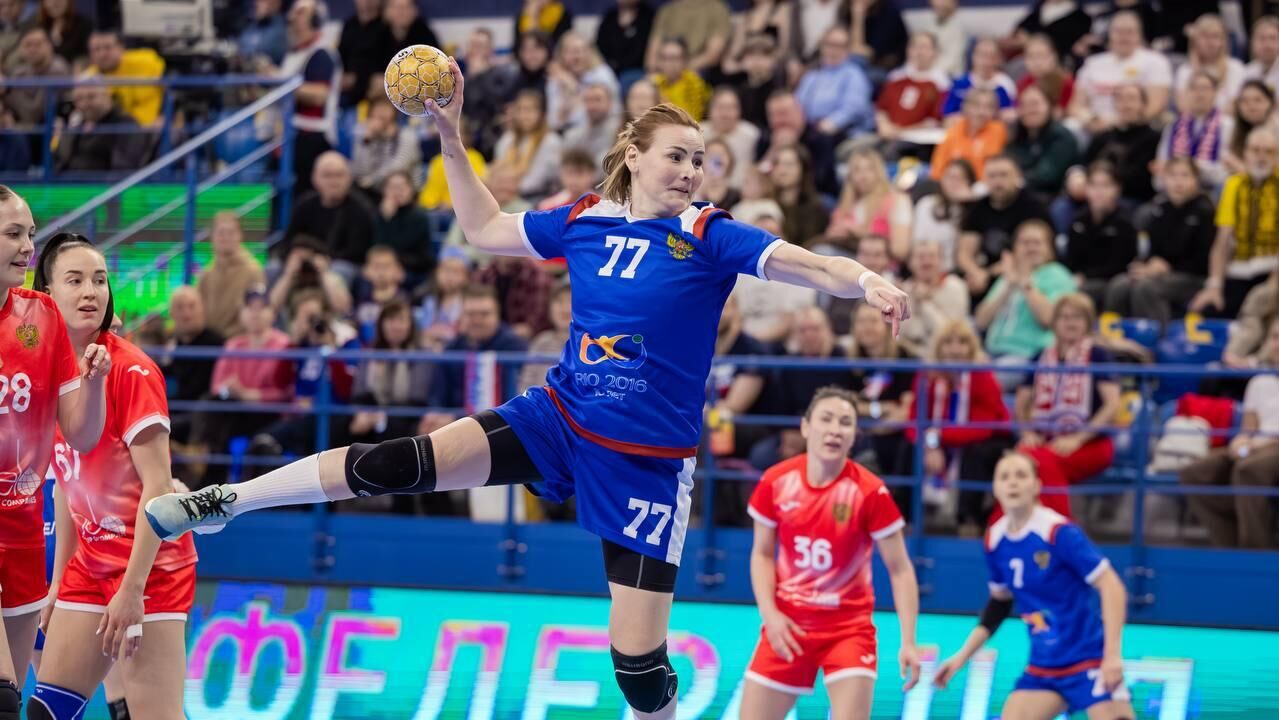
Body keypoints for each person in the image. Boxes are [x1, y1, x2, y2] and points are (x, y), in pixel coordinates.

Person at [145, 57, 910, 720]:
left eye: (699, 161)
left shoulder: (708, 234)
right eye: (676, 156)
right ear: (634, 156)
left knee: (638, 671)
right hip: (560, 418)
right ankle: (223, 502)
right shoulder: (582, 220)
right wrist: (451, 139)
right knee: (401, 461)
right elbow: (483, 229)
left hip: (646, 461)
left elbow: (808, 263)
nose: (689, 171)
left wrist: (865, 280)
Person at [30, 233, 195, 720]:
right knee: (48, 711)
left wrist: (133, 588)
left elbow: (159, 489)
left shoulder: (132, 370)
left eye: (99, 280)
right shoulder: (49, 374)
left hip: (151, 569)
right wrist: (58, 582)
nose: (91, 292)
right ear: (47, 294)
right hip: (89, 566)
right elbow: (66, 485)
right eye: (75, 280)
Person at [741, 387, 920, 718]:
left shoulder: (870, 492)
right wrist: (770, 615)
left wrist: (909, 641)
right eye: (826, 419)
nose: (835, 429)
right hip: (789, 623)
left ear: (854, 437)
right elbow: (762, 554)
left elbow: (901, 569)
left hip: (848, 628)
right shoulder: (775, 482)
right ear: (806, 427)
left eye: (845, 422)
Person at [0, 190, 109, 716]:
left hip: (22, 532)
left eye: (29, 233)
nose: (28, 247)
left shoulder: (41, 316)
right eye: (12, 234)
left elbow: (81, 436)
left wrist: (94, 382)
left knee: (15, 696)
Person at [932, 451, 1133, 720]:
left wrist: (1112, 656)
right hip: (1044, 666)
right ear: (995, 488)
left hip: (1089, 658)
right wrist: (960, 658)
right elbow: (999, 605)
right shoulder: (995, 539)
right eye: (1004, 477)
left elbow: (1112, 586)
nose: (1012, 482)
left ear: (1037, 486)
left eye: (1021, 475)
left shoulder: (1058, 532)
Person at [1013, 294, 1121, 517]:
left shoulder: (1099, 355)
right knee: (1022, 458)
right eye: (1064, 317)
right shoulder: (1040, 357)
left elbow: (1112, 405)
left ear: (1087, 323)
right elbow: (1021, 402)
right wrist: (1027, 432)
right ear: (1054, 322)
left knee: (1036, 461)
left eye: (1077, 317)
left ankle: (1055, 529)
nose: (1070, 323)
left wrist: (1078, 438)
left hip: (1091, 444)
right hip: (1047, 441)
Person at [1179, 316, 1279, 549]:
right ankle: (1228, 546)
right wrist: (1241, 441)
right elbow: (1248, 428)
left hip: (1270, 450)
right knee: (1194, 473)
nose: (1278, 344)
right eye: (1275, 337)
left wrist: (1257, 445)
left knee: (1247, 470)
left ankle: (1255, 553)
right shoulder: (1259, 381)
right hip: (1255, 447)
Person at [905, 320, 1011, 533]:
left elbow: (981, 427)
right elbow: (914, 420)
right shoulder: (927, 377)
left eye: (962, 342)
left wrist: (937, 438)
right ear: (938, 347)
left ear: (972, 348)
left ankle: (967, 521)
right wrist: (929, 445)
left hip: (987, 438)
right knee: (907, 448)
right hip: (942, 437)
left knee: (976, 452)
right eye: (948, 343)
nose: (955, 349)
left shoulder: (983, 376)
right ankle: (905, 518)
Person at [1105, 158, 1216, 324]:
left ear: (1196, 180)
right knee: (1119, 284)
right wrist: (1147, 265)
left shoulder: (1205, 211)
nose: (1178, 182)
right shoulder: (1159, 210)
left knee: (1146, 288)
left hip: (1193, 277)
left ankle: (1155, 335)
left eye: (1185, 176)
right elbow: (1150, 249)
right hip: (1160, 273)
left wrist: (1168, 268)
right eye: (1173, 176)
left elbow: (1204, 261)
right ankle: (1115, 335)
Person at [1191, 127, 1279, 318]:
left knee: (1259, 310)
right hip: (1239, 270)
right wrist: (1214, 285)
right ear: (1245, 153)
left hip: (1272, 271)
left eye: (1269, 152)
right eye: (1255, 150)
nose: (1261, 157)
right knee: (1207, 311)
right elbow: (1222, 241)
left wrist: (1274, 283)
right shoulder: (1233, 184)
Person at [1064, 162, 1138, 308]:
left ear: (1117, 189)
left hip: (1111, 281)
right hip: (1081, 279)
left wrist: (1085, 276)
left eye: (1106, 185)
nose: (1099, 191)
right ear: (1086, 188)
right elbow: (1071, 261)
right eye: (1094, 185)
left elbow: (1119, 265)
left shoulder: (1125, 223)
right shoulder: (1078, 221)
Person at [1155, 71, 1233, 191]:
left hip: (1211, 191)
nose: (1200, 94)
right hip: (1174, 192)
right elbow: (1160, 172)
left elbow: (1226, 172)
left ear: (1215, 92)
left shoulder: (1228, 126)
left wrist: (1196, 167)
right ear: (1187, 93)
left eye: (1205, 89)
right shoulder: (1173, 126)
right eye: (1194, 88)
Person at [196, 212, 266, 338]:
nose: (226, 238)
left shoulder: (253, 271)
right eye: (221, 233)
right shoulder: (206, 274)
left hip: (241, 342)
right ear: (212, 237)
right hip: (208, 341)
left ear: (240, 236)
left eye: (231, 233)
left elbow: (257, 312)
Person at [1007, 84, 1078, 197]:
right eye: (1023, 105)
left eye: (1035, 104)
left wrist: (1013, 181)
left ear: (1049, 106)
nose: (1029, 110)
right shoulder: (1016, 135)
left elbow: (1047, 175)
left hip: (1053, 195)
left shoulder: (1062, 137)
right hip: (1019, 193)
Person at [86, 28, 164, 127]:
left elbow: (174, 88)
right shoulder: (87, 80)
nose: (102, 54)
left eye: (108, 47)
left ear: (121, 47)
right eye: (96, 49)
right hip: (114, 130)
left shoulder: (147, 62)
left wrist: (169, 118)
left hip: (153, 126)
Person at [930, 88, 1008, 183]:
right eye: (976, 105)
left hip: (987, 186)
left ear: (995, 112)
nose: (981, 112)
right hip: (954, 185)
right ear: (965, 107)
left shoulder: (1000, 131)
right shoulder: (953, 132)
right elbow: (937, 171)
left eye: (989, 107)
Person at [911, 158, 974, 271]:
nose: (953, 183)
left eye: (959, 178)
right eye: (949, 177)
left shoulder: (972, 207)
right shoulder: (927, 204)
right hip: (927, 266)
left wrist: (969, 205)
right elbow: (918, 241)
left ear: (969, 182)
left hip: (956, 270)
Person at [595, 0, 654, 80]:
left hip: (636, 70)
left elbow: (640, 51)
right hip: (608, 68)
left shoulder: (648, 16)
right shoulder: (610, 15)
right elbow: (599, 46)